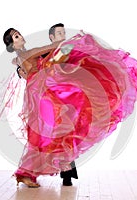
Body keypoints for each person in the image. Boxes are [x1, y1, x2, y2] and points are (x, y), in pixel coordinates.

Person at [0, 27, 137, 188]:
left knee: (51, 129)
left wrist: (65, 50)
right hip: (40, 91)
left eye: (19, 34)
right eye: (16, 36)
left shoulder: (23, 57)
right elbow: (47, 49)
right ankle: (33, 172)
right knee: (47, 131)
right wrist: (67, 42)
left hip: (42, 89)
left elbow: (49, 56)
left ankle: (48, 169)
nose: (20, 36)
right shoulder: (23, 55)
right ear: (11, 44)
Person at [48, 23, 78, 186]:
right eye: (59, 33)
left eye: (64, 32)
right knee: (59, 136)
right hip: (53, 100)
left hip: (69, 98)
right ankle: (66, 172)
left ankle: (67, 173)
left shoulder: (68, 49)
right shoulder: (46, 52)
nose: (63, 35)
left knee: (68, 135)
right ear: (51, 37)